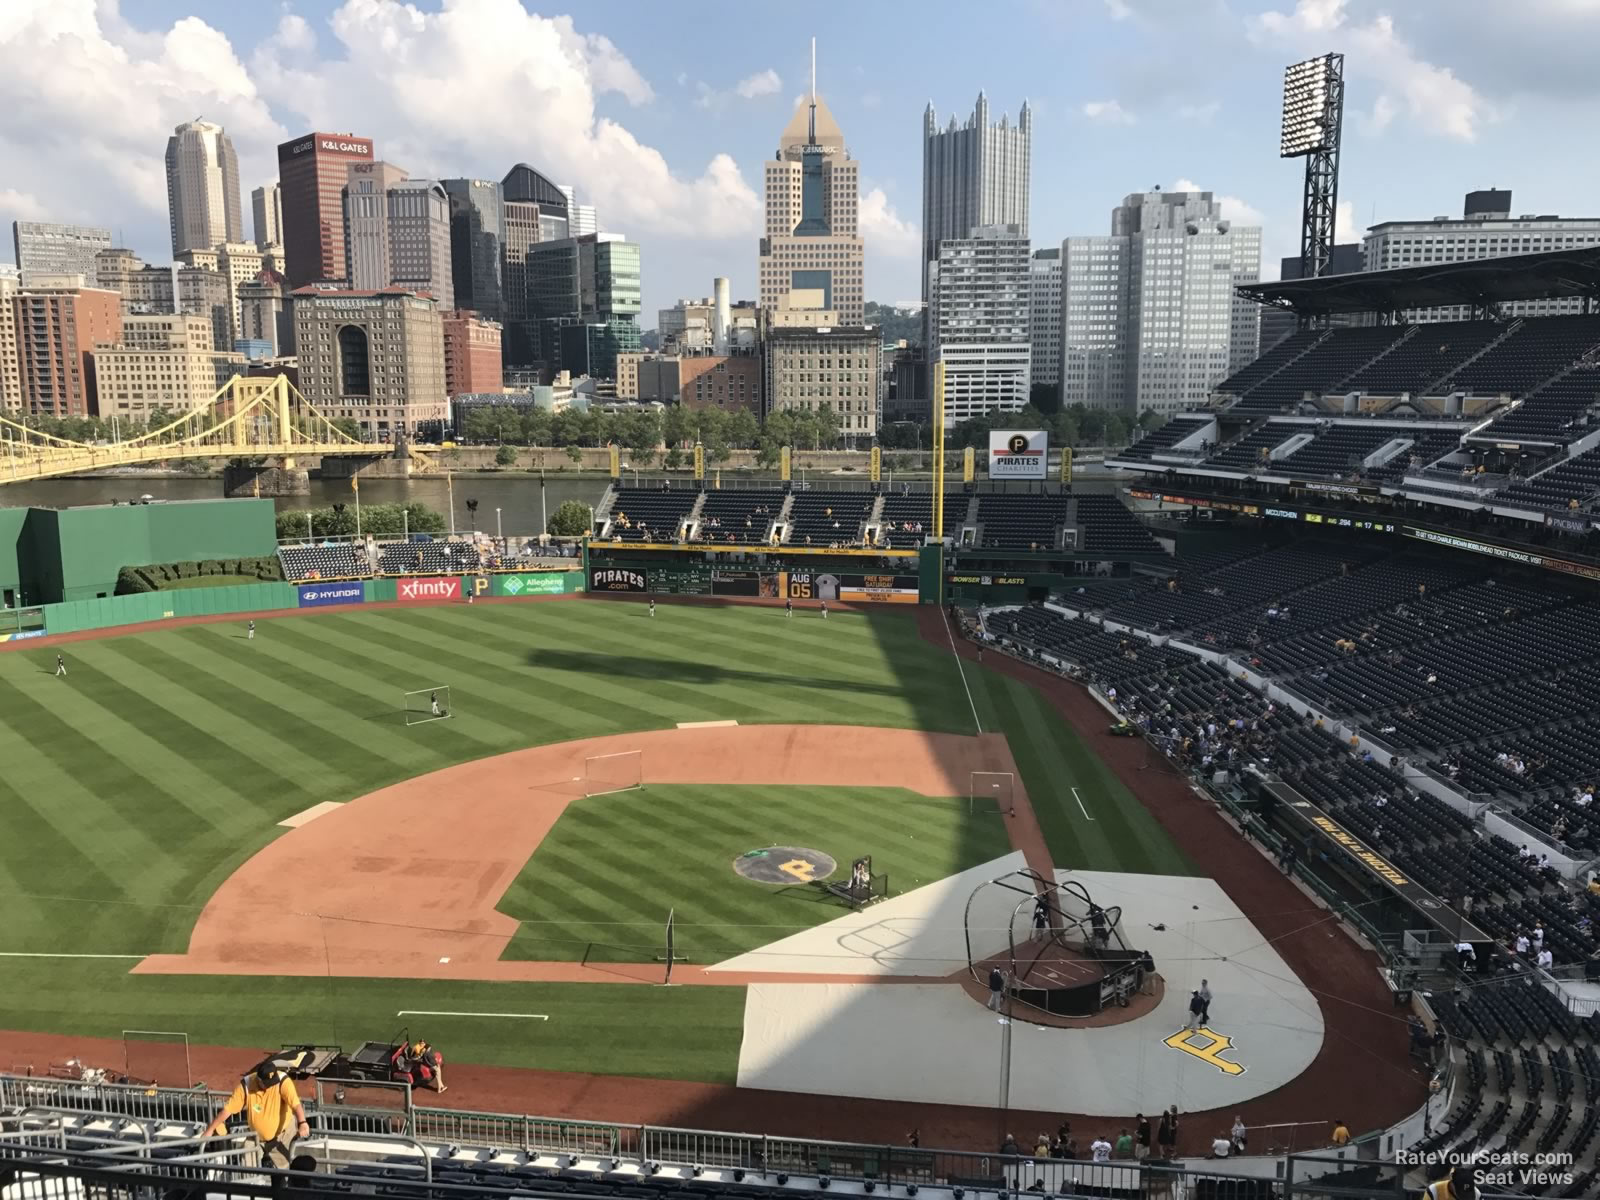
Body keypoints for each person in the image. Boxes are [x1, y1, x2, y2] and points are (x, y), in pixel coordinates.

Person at [201, 1061, 311, 1168]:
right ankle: (252, 1185)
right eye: (267, 1083)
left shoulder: (282, 1081)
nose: (270, 1086)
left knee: (282, 1171)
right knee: (246, 1162)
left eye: (272, 1082)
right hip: (256, 1137)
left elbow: (296, 1104)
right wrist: (210, 1130)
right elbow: (227, 1110)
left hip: (282, 1135)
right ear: (259, 1080)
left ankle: (280, 1184)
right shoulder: (246, 1085)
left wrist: (303, 1122)